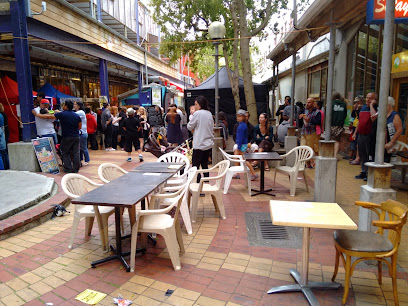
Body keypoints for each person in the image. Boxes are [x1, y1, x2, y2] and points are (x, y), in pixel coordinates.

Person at [34, 100, 81, 173]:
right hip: (76, 136)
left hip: (66, 137)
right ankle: (76, 168)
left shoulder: (62, 114)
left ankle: (68, 169)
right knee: (76, 152)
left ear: (66, 106)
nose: (63, 106)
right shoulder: (76, 115)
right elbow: (79, 127)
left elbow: (47, 116)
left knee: (65, 152)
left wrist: (36, 114)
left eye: (64, 105)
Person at [187, 96, 214, 183]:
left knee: (195, 166)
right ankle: (206, 183)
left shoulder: (197, 114)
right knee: (204, 164)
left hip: (199, 144)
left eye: (196, 104)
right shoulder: (209, 113)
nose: (195, 107)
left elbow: (189, 126)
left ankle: (197, 184)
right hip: (208, 144)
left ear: (200, 104)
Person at [354, 92, 377, 180]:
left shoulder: (375, 108)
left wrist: (371, 105)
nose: (368, 100)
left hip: (369, 135)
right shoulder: (363, 108)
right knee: (362, 154)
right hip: (361, 134)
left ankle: (369, 173)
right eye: (367, 98)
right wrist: (355, 133)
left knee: (369, 155)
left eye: (370, 98)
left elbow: (373, 117)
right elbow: (360, 121)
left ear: (374, 100)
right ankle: (363, 172)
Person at [233, 109, 258, 180]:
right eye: (237, 116)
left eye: (239, 116)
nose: (238, 118)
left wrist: (239, 146)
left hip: (241, 146)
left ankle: (253, 173)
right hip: (242, 145)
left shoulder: (241, 126)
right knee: (240, 159)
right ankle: (237, 173)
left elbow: (240, 137)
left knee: (242, 160)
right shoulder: (242, 125)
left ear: (243, 117)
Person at [299, 97, 321, 168]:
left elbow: (318, 122)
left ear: (313, 103)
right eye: (307, 102)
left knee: (309, 148)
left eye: (309, 102)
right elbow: (299, 119)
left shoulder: (317, 112)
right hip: (304, 131)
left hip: (311, 132)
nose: (307, 104)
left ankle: (308, 164)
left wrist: (310, 120)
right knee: (303, 147)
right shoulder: (304, 110)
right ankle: (311, 161)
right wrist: (300, 116)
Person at [330, 93, 348, 157]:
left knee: (331, 140)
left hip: (332, 124)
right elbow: (345, 114)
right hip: (340, 125)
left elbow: (328, 114)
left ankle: (331, 154)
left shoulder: (331, 103)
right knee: (337, 141)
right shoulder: (344, 104)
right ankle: (335, 155)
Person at [347, 96, 363, 163]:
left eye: (357, 102)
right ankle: (353, 156)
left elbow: (360, 117)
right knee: (354, 141)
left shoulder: (362, 108)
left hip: (359, 126)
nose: (356, 103)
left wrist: (358, 109)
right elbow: (353, 115)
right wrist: (354, 109)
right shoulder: (356, 108)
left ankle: (357, 157)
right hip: (354, 125)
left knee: (358, 142)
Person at [74, 101, 90, 166]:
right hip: (81, 133)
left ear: (79, 106)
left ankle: (87, 160)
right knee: (80, 147)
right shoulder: (79, 112)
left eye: (75, 104)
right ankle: (81, 159)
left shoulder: (80, 112)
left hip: (82, 133)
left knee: (83, 147)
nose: (74, 105)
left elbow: (73, 114)